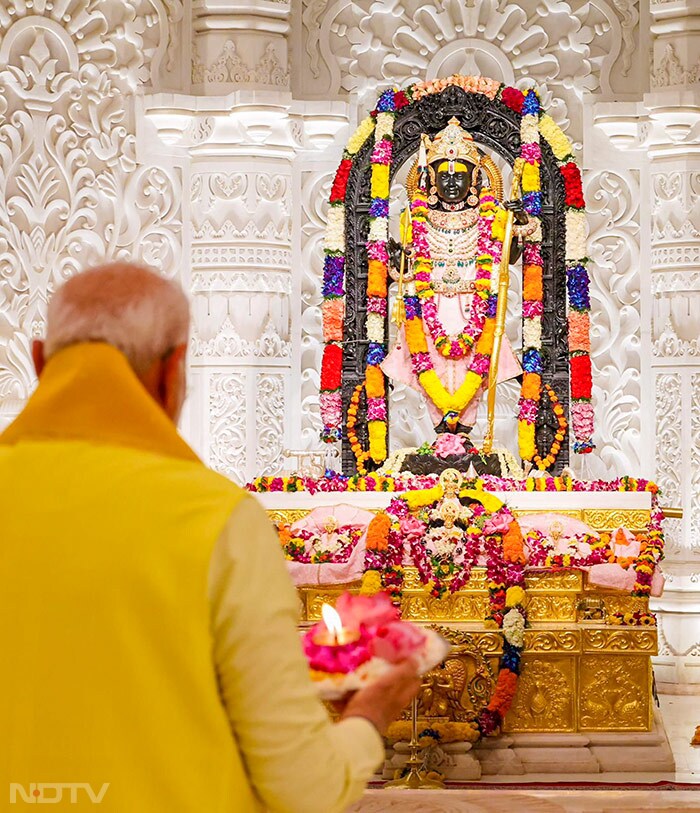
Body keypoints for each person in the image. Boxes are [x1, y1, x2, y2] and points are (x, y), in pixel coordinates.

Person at [0, 262, 420, 812]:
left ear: (39, 362)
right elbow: (305, 789)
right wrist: (368, 715)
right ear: (173, 372)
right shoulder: (218, 521)